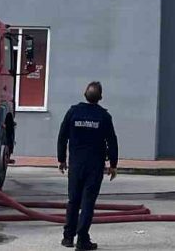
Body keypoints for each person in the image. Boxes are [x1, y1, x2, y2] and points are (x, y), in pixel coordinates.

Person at [57, 81, 119, 250]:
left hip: (76, 165)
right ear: (100, 97)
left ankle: (68, 237)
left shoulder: (73, 112)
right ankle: (82, 239)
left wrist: (61, 159)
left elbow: (62, 137)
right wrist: (113, 165)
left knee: (73, 201)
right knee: (88, 202)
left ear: (85, 95)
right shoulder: (104, 117)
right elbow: (112, 141)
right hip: (94, 166)